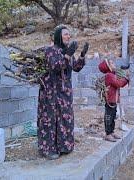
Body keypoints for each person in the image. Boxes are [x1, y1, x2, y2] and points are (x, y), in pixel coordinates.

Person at [37, 25, 89, 160]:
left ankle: (64, 146)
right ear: (58, 35)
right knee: (50, 120)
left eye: (69, 34)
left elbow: (75, 68)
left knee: (65, 118)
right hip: (51, 93)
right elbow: (55, 67)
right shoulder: (50, 50)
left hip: (65, 93)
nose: (68, 36)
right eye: (66, 34)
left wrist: (82, 56)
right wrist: (67, 55)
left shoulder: (68, 53)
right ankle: (47, 149)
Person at [98, 57, 129, 142]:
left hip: (113, 99)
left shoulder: (113, 74)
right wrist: (126, 79)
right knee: (109, 116)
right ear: (108, 67)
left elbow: (119, 83)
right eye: (112, 63)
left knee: (113, 116)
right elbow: (118, 84)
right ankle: (108, 134)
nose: (114, 64)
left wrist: (125, 78)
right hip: (110, 100)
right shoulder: (109, 75)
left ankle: (111, 132)